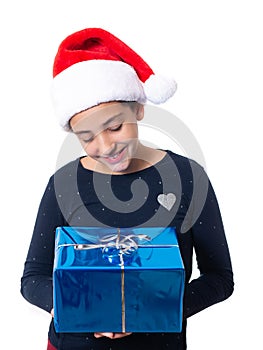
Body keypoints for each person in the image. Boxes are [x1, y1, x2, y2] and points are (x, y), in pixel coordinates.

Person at [20, 27, 234, 350]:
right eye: (87, 137)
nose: (105, 146)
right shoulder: (63, 184)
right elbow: (32, 277)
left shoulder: (188, 178)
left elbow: (220, 278)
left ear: (138, 108)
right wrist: (80, 306)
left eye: (115, 126)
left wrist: (151, 308)